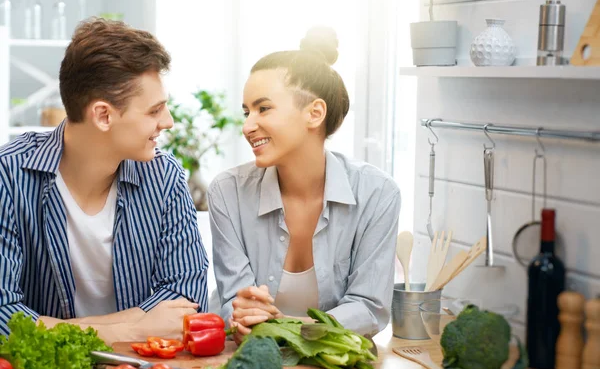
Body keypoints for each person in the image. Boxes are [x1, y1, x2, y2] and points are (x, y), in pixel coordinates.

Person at [0, 18, 208, 344]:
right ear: (103, 115)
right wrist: (134, 328)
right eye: (154, 111)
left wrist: (59, 328)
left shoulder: (164, 177)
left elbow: (187, 300)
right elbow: (3, 316)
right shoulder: (9, 176)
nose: (167, 122)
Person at [209, 27, 401, 344]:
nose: (247, 126)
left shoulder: (377, 194)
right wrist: (246, 314)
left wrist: (290, 329)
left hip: (329, 367)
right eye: (246, 111)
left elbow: (370, 309)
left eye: (263, 108)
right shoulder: (228, 192)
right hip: (246, 360)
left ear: (314, 113)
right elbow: (237, 303)